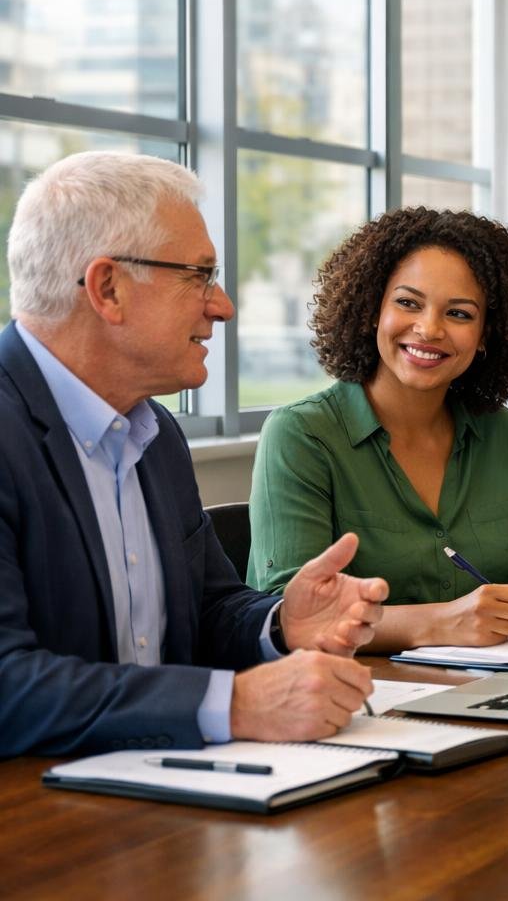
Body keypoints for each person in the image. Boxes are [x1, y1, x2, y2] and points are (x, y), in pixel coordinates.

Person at [0, 152, 389, 758]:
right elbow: (8, 686)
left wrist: (283, 623)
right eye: (199, 275)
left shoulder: (156, 431)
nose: (223, 306)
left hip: (165, 796)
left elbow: (207, 611)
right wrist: (236, 704)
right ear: (108, 288)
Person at [247, 206, 508, 650]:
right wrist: (441, 622)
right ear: (373, 310)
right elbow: (291, 613)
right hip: (350, 697)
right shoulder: (301, 435)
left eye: (460, 314)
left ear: (486, 334)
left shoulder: (500, 435)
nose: (428, 329)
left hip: (485, 689)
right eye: (408, 303)